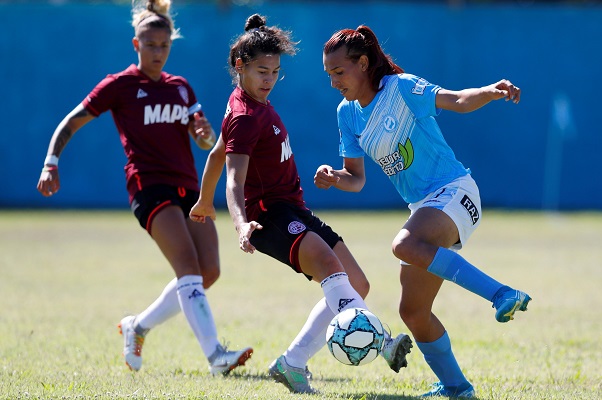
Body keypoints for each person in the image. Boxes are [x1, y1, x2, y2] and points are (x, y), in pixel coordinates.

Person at [189, 14, 412, 394]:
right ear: (239, 67)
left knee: (356, 283)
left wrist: (202, 200)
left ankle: (291, 364)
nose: (269, 79)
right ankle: (384, 341)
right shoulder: (244, 115)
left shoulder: (247, 103)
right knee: (330, 268)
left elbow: (214, 155)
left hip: (294, 210)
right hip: (268, 217)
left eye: (275, 71)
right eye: (262, 71)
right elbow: (234, 179)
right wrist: (239, 222)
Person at [36, 0, 252, 377]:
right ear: (136, 45)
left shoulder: (180, 87)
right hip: (149, 186)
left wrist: (204, 136)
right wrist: (51, 162)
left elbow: (203, 138)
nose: (157, 52)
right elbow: (71, 122)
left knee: (208, 272)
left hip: (189, 187)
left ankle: (138, 326)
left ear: (171, 45)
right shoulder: (120, 86)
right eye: (150, 45)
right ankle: (217, 356)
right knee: (187, 267)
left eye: (164, 45)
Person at [317, 26, 532, 398]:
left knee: (404, 243)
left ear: (363, 63)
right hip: (424, 207)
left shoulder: (400, 89)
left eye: (339, 72)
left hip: (455, 192)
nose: (334, 82)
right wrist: (335, 177)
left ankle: (502, 294)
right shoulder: (347, 114)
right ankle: (457, 388)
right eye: (329, 75)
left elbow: (459, 100)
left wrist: (490, 91)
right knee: (413, 313)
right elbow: (356, 178)